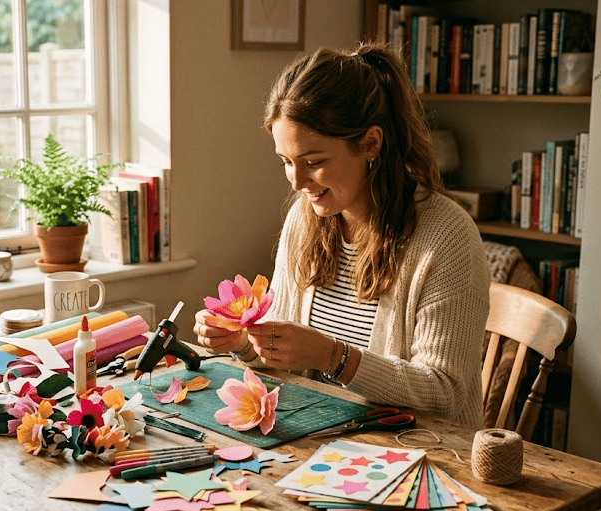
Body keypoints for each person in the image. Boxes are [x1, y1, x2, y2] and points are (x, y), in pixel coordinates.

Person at [192, 44, 489, 428]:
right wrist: (245, 346)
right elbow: (291, 364)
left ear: (370, 144)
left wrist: (334, 357)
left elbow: (444, 392)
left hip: (421, 451)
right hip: (329, 442)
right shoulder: (305, 219)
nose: (297, 182)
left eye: (313, 162)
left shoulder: (447, 237)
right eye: (286, 162)